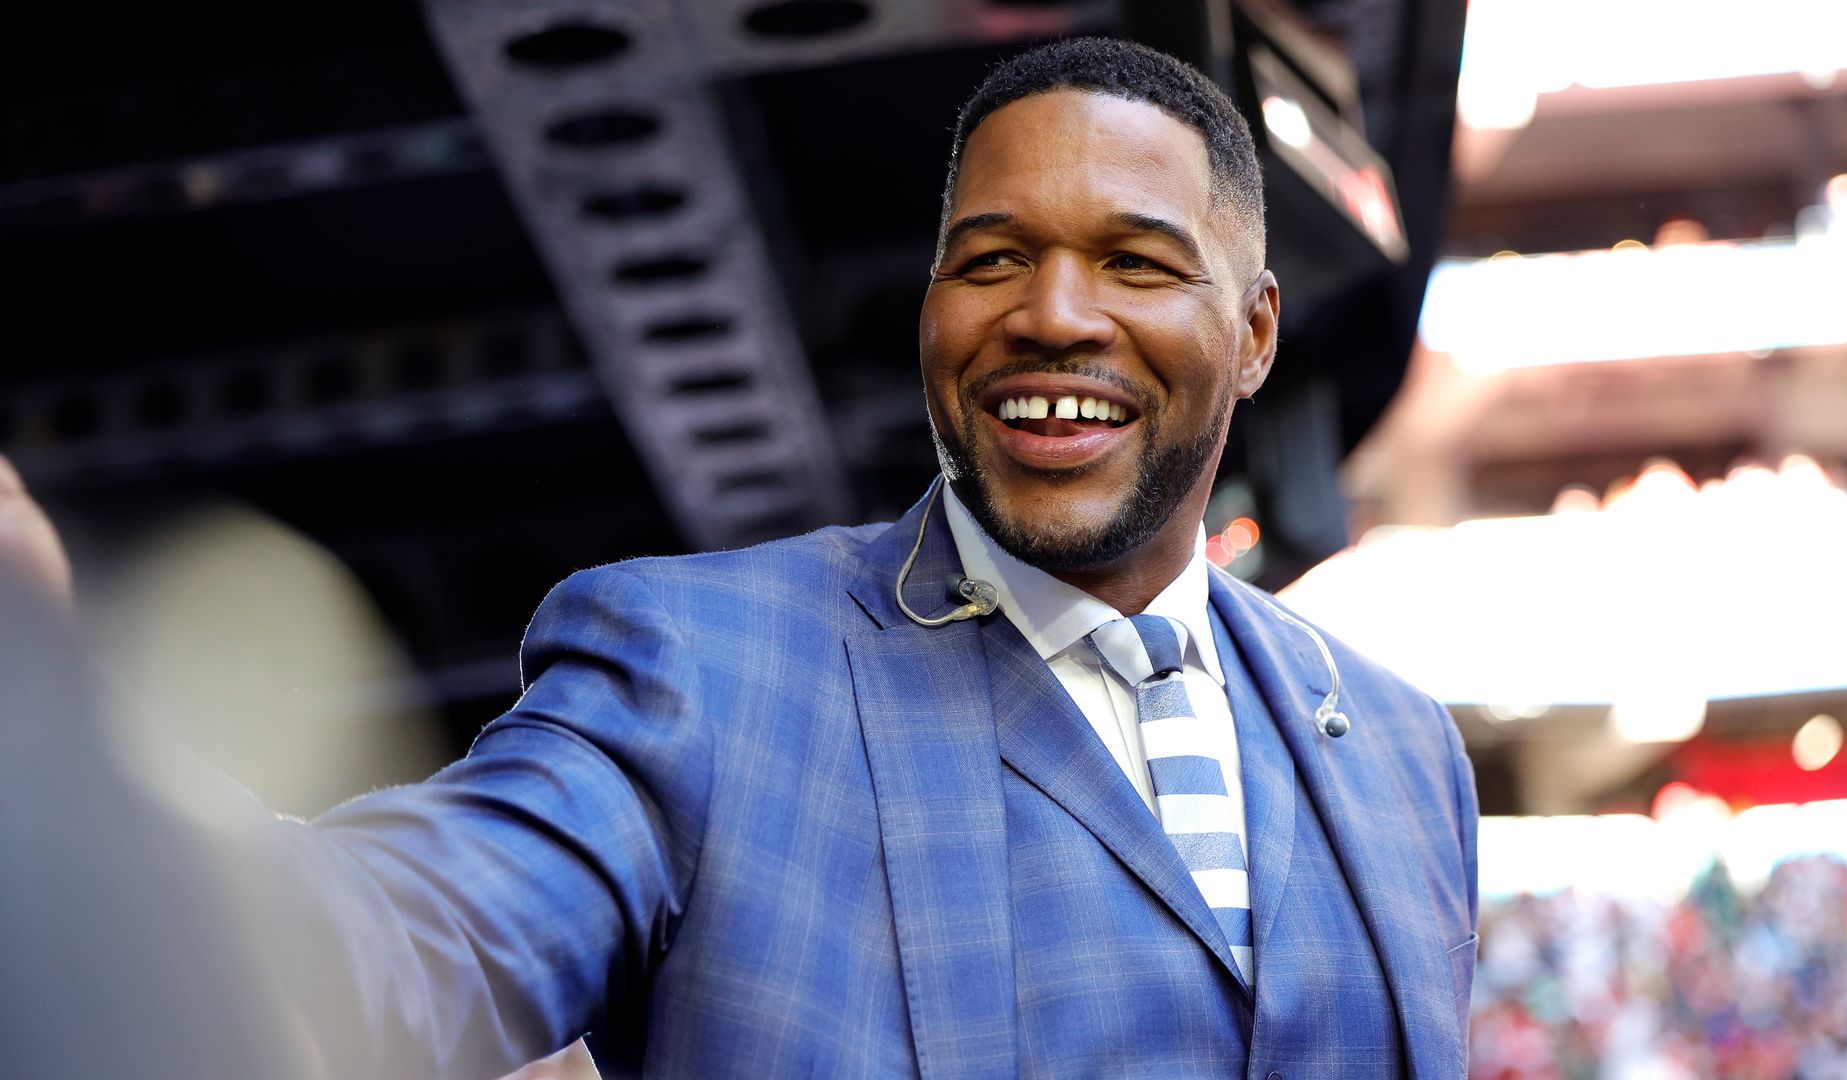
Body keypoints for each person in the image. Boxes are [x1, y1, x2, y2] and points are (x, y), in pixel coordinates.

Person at [0, 37, 1477, 1080]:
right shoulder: (701, 674)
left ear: (1261, 329)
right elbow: (392, 950)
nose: (1053, 315)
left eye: (1139, 264)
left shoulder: (1403, 758)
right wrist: (67, 755)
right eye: (990, 257)